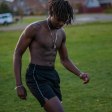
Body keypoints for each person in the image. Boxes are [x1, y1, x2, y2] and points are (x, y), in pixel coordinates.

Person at [13, 0, 89, 112]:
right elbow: (17, 53)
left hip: (52, 75)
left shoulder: (61, 33)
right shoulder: (35, 29)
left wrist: (80, 74)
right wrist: (19, 85)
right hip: (36, 75)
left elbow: (65, 59)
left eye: (64, 20)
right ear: (51, 12)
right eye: (59, 19)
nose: (61, 23)